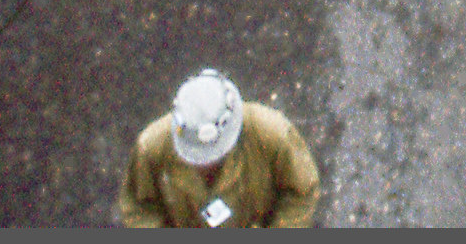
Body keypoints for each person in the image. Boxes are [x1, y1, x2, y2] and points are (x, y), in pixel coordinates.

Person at [119, 71, 323, 228]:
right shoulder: (152, 148)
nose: (207, 163)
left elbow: (301, 193)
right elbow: (138, 209)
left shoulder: (273, 135)